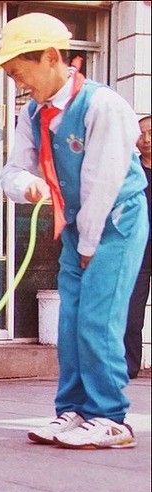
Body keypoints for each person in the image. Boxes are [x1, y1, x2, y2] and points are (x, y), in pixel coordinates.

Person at [0, 13, 148, 449]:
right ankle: (71, 411)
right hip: (74, 223)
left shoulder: (102, 105)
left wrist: (87, 243)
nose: (17, 83)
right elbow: (14, 170)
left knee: (97, 319)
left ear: (51, 57)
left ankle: (110, 417)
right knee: (70, 323)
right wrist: (26, 185)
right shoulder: (33, 112)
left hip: (116, 221)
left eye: (19, 72)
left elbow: (102, 181)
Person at [125, 115, 151, 379]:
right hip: (138, 251)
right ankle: (129, 366)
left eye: (151, 133)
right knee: (132, 313)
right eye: (141, 133)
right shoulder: (130, 171)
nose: (147, 139)